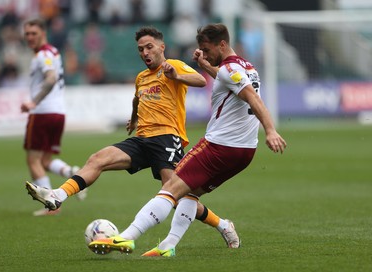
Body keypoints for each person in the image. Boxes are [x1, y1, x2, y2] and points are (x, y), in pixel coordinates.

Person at [25, 26, 240, 248]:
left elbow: (201, 81)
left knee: (177, 197)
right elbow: (137, 99)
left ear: (161, 47)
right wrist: (134, 118)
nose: (145, 53)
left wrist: (176, 76)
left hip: (167, 138)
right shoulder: (141, 78)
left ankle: (223, 225)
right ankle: (58, 195)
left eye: (149, 47)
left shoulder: (173, 66)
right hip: (141, 139)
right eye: (140, 49)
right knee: (97, 159)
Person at [87, 23, 287, 257]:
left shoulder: (229, 68)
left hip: (219, 145)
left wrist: (271, 130)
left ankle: (127, 237)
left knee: (170, 189)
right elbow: (227, 81)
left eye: (206, 49)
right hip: (244, 151)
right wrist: (205, 65)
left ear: (221, 44)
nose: (204, 53)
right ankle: (168, 246)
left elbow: (252, 97)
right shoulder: (246, 67)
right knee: (191, 194)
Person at [21, 18, 86, 216]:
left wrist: (34, 101)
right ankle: (72, 174)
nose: (30, 37)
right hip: (58, 112)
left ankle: (51, 206)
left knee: (33, 161)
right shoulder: (54, 52)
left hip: (42, 113)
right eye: (27, 34)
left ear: (43, 32)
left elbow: (50, 78)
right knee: (46, 160)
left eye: (34, 33)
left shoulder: (43, 55)